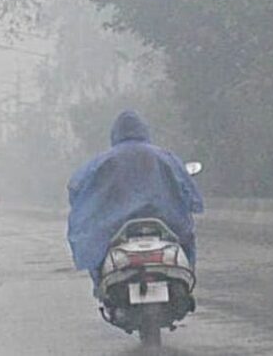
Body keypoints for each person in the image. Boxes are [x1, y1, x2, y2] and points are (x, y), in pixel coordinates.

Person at [67, 110, 203, 293]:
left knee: (97, 248)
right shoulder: (165, 157)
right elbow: (188, 189)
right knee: (187, 238)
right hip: (167, 222)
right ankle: (187, 283)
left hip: (115, 226)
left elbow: (76, 186)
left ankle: (100, 287)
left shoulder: (102, 161)